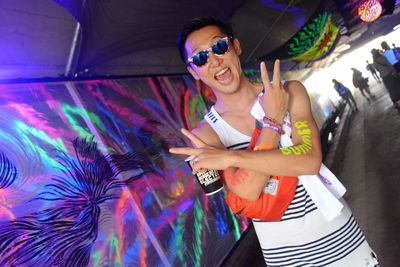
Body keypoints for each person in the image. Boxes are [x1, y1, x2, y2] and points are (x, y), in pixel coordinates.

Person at [170, 16, 378, 266]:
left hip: (344, 243)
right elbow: (247, 192)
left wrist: (232, 156)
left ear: (235, 46)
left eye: (219, 47)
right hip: (286, 258)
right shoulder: (205, 135)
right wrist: (272, 121)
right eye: (200, 58)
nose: (214, 60)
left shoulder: (289, 92)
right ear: (194, 71)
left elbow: (309, 160)